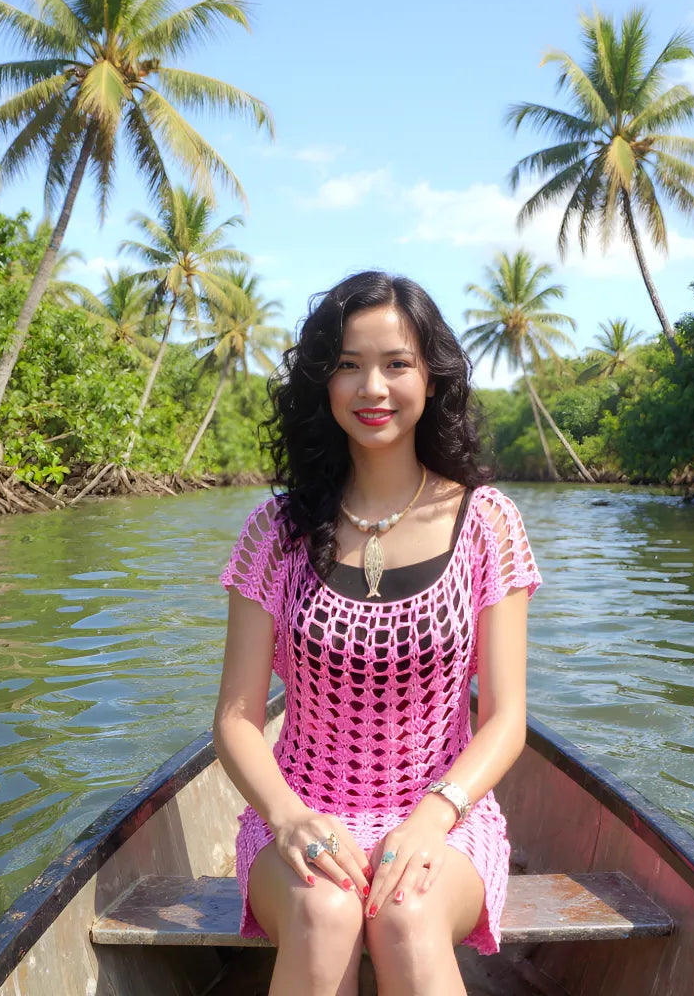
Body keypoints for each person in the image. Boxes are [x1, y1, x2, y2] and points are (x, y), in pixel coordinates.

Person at [213, 271, 540, 996]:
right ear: (322, 383)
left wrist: (431, 818)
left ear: (432, 377)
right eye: (348, 365)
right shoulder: (275, 532)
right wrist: (290, 818)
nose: (372, 388)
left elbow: (505, 719)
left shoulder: (487, 524)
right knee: (325, 911)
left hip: (445, 815)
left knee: (405, 913)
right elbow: (236, 719)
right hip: (298, 811)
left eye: (396, 364)